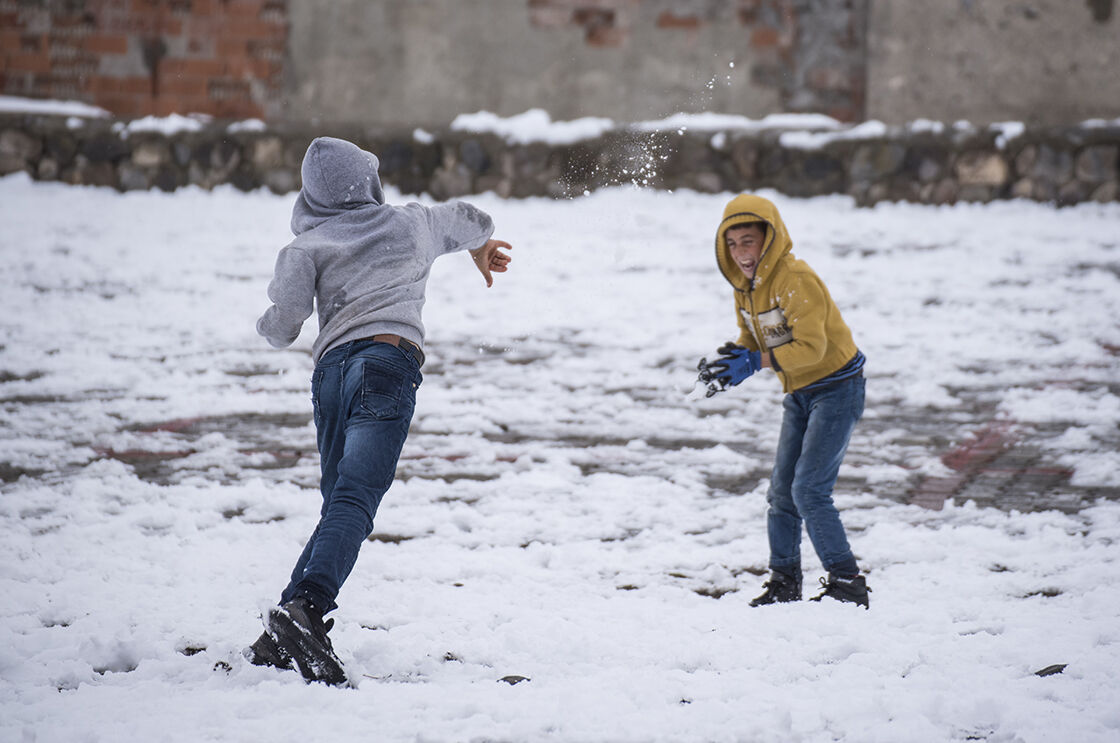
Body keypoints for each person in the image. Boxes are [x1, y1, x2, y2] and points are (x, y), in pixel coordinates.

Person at [245, 137, 512, 684]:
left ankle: (283, 631)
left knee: (340, 502)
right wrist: (480, 245)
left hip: (331, 376)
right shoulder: (412, 223)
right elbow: (470, 217)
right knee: (355, 498)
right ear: (369, 180)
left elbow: (284, 325)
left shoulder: (306, 247)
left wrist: (269, 323)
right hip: (386, 366)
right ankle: (308, 608)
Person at [697, 193, 870, 609]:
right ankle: (784, 580)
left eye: (749, 241)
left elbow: (812, 347)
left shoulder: (795, 279)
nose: (741, 253)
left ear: (770, 239)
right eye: (732, 243)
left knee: (809, 489)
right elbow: (753, 336)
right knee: (781, 492)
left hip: (837, 388)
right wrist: (732, 360)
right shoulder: (746, 286)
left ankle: (847, 582)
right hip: (799, 391)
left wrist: (756, 361)